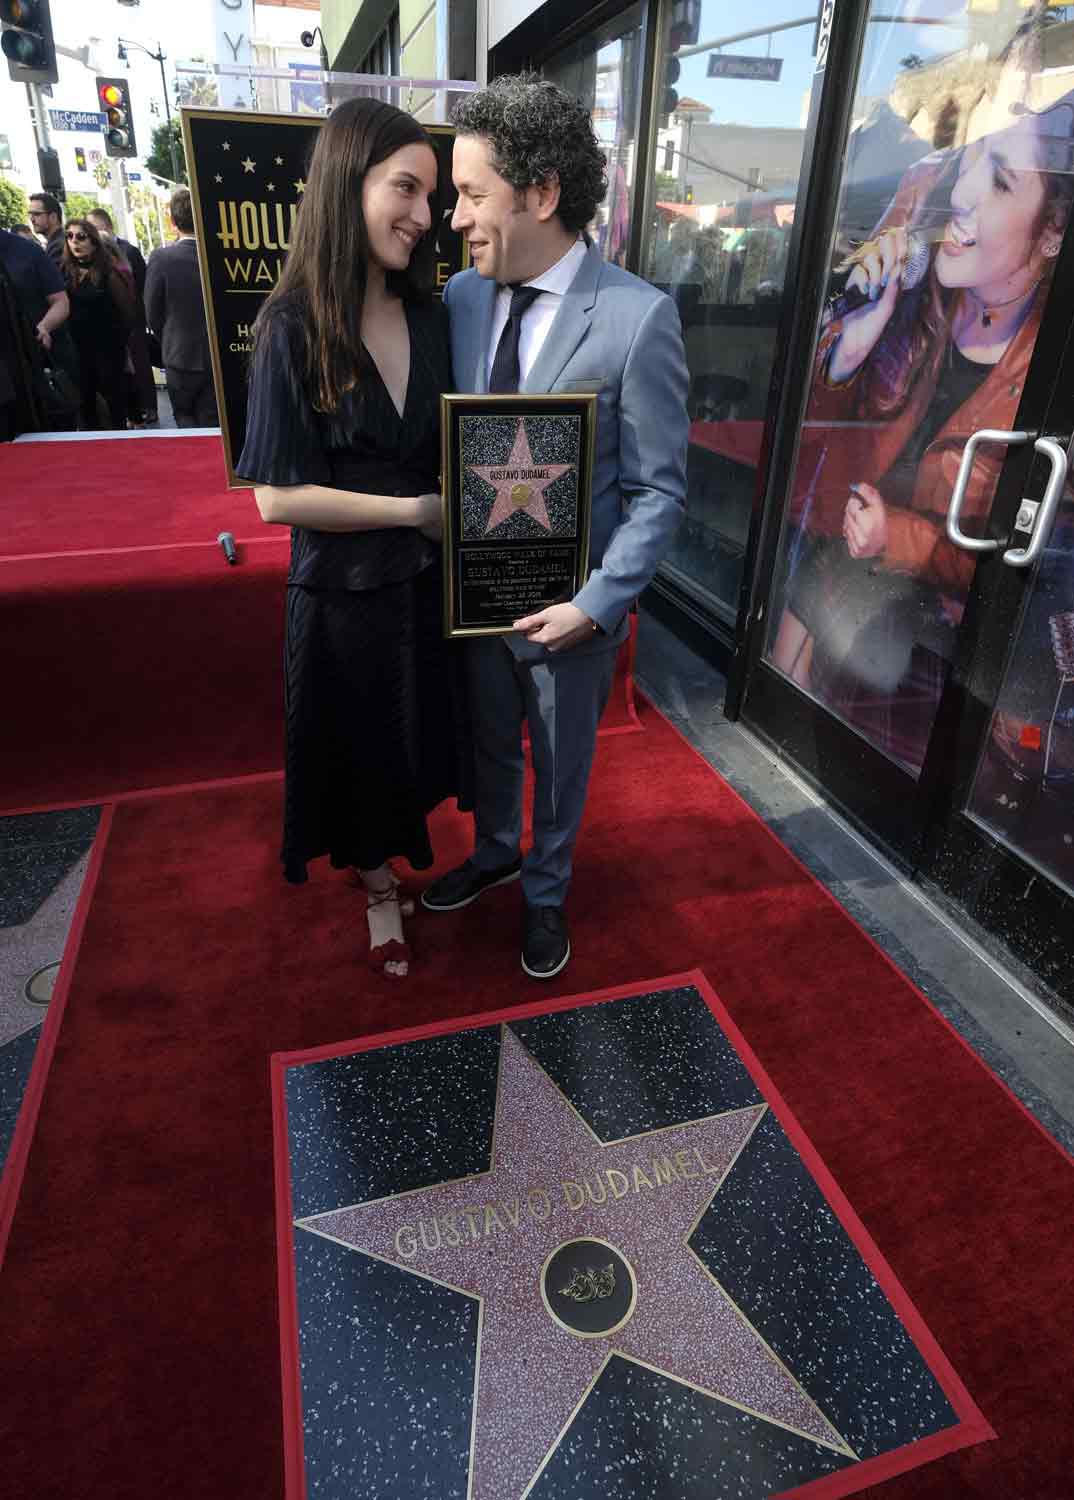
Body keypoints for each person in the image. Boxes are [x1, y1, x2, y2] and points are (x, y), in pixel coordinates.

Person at [420, 74, 689, 980]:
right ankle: (495, 850)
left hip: (569, 615)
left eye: (471, 194)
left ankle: (545, 892)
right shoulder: (459, 298)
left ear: (540, 194)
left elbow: (660, 493)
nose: (455, 217)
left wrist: (597, 605)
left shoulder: (637, 317)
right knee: (488, 740)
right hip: (474, 598)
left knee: (560, 761)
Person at [770, 87, 1074, 772]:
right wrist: (855, 342)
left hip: (928, 649)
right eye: (970, 164)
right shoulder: (923, 293)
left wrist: (897, 538)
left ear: (1053, 233)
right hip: (834, 575)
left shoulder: (1050, 370)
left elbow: (1037, 561)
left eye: (998, 182)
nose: (962, 193)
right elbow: (815, 442)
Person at [235, 96, 469, 979]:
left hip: (423, 585)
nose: (423, 215)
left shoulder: (434, 317)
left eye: (433, 197)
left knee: (410, 743)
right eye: (405, 188)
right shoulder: (289, 326)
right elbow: (274, 500)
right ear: (347, 184)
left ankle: (393, 863)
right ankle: (376, 885)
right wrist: (415, 513)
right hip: (341, 593)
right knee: (362, 747)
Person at [144, 188, 218, 428]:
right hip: (215, 354)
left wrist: (166, 338)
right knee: (214, 424)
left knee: (185, 421)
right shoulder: (217, 255)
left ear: (173, 221)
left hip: (179, 355)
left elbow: (152, 312)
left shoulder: (162, 258)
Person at [61, 217, 135, 430]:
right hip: (78, 351)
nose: (75, 241)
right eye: (70, 236)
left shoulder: (108, 273)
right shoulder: (65, 272)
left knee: (114, 404)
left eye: (81, 237)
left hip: (108, 350)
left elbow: (128, 313)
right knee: (86, 406)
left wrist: (118, 344)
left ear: (93, 241)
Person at [88, 206, 157, 425]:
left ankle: (146, 408)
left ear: (106, 227)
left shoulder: (130, 252)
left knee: (139, 364)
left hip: (133, 323)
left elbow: (144, 288)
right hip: (113, 330)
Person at [28, 193, 65, 267]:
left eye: (37, 214)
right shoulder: (57, 241)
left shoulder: (59, 246)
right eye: (30, 214)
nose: (32, 219)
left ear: (53, 217)